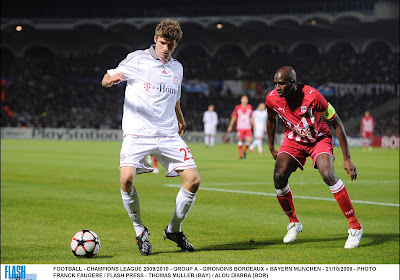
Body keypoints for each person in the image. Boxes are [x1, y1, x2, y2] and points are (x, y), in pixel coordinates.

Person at [101, 19, 201, 256]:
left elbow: (175, 96)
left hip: (167, 133)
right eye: (163, 42)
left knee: (193, 180)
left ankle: (174, 229)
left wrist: (181, 118)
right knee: (126, 179)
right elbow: (106, 77)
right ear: (155, 39)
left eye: (171, 44)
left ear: (176, 45)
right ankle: (140, 231)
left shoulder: (177, 68)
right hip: (137, 132)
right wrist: (110, 81)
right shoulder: (137, 59)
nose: (166, 48)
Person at [265, 66, 362, 249]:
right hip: (293, 140)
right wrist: (271, 146)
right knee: (278, 176)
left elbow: (337, 122)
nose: (277, 87)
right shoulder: (271, 99)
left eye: (282, 84)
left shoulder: (313, 96)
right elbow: (271, 120)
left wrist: (346, 158)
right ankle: (294, 222)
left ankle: (355, 226)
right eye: (276, 83)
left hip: (318, 138)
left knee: (328, 174)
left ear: (293, 83)